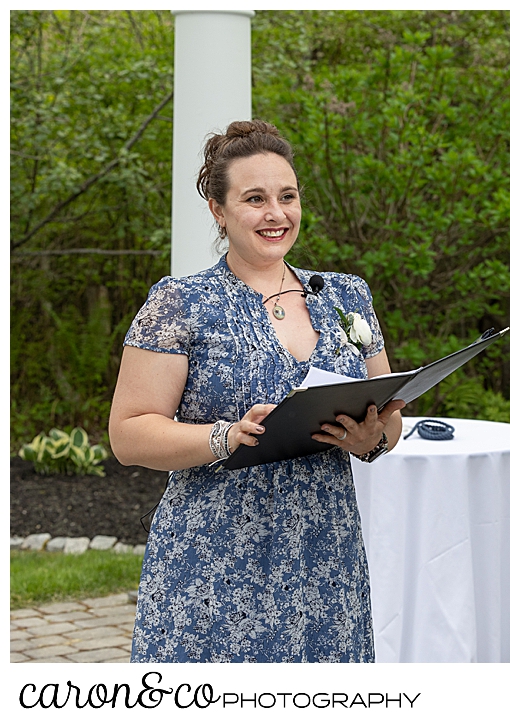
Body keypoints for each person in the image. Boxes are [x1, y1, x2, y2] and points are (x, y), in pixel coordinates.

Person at [109, 120, 405, 662]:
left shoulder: (346, 295)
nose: (277, 213)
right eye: (255, 198)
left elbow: (388, 418)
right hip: (215, 560)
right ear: (218, 212)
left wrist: (372, 438)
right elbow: (129, 434)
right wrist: (225, 437)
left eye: (287, 196)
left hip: (325, 556)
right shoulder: (181, 302)